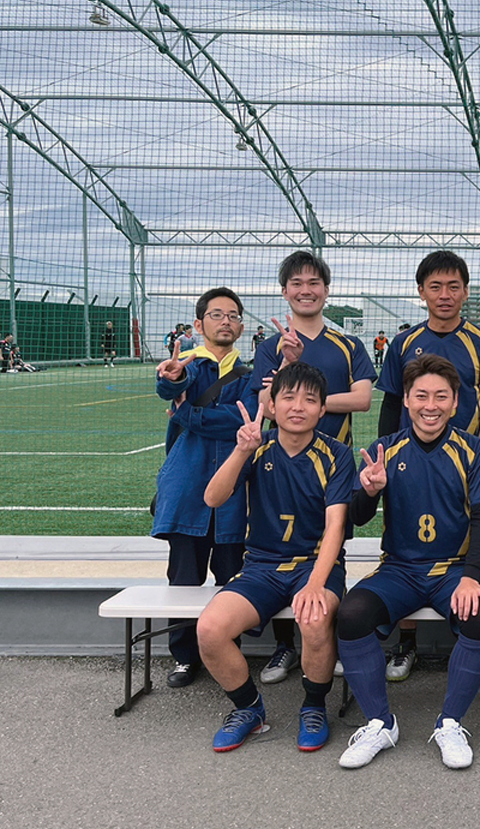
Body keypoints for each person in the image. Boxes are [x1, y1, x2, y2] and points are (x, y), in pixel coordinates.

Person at [336, 354, 480, 770]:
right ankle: (379, 723)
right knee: (351, 614)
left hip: (453, 569)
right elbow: (357, 518)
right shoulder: (385, 450)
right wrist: (369, 491)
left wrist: (472, 576)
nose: (431, 405)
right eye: (421, 395)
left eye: (441, 396)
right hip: (400, 570)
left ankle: (450, 723)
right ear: (406, 400)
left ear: (455, 401)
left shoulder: (473, 450)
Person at [198, 362, 351, 753]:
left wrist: (316, 583)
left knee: (314, 620)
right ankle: (248, 708)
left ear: (322, 409)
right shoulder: (257, 446)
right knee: (210, 629)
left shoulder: (336, 454)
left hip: (314, 566)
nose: (298, 406)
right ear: (271, 404)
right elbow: (213, 498)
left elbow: (335, 526)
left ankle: (313, 706)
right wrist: (240, 451)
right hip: (261, 567)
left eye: (309, 399)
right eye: (289, 397)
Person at [375, 250, 480, 681]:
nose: (445, 294)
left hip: (467, 464)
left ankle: (468, 641)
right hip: (410, 462)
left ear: (466, 292)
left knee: (466, 536)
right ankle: (406, 645)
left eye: (454, 286)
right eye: (435, 286)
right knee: (404, 547)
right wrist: (384, 453)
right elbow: (392, 402)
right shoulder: (404, 343)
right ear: (421, 292)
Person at [250, 250, 376, 684]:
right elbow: (265, 406)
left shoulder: (348, 345)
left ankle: (327, 639)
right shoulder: (269, 347)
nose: (306, 290)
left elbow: (363, 399)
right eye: (297, 283)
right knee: (278, 549)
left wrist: (307, 403)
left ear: (326, 289)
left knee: (332, 549)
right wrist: (288, 364)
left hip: (333, 469)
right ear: (285, 291)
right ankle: (285, 646)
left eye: (314, 283)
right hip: (280, 470)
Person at [151, 288, 257, 688]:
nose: (225, 321)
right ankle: (184, 657)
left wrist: (188, 415)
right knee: (183, 578)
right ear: (199, 324)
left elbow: (243, 419)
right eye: (216, 314)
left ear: (241, 327)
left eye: (233, 315)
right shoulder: (191, 366)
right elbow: (171, 383)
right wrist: (171, 377)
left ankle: (227, 651)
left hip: (234, 490)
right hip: (187, 488)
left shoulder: (248, 375)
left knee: (233, 576)